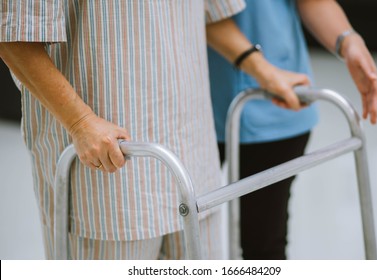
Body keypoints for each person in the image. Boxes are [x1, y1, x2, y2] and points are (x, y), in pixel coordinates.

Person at [0, 0, 256, 260]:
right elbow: (12, 34)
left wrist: (263, 71)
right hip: (106, 174)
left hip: (192, 163)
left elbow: (209, 11)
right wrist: (80, 122)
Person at [207, 0, 377, 259]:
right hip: (190, 103)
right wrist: (262, 70)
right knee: (179, 239)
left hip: (281, 101)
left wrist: (348, 41)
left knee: (265, 246)